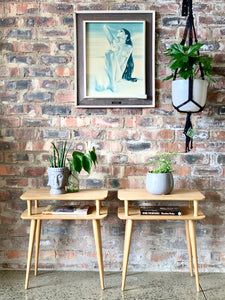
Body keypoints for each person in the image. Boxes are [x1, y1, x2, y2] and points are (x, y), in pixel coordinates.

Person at [95, 25, 137, 92]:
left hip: (117, 74)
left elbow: (122, 61)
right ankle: (110, 83)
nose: (118, 32)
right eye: (119, 31)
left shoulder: (129, 47)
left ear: (126, 35)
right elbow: (104, 27)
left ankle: (112, 84)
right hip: (108, 71)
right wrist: (114, 29)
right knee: (99, 86)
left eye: (121, 31)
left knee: (110, 53)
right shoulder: (114, 42)